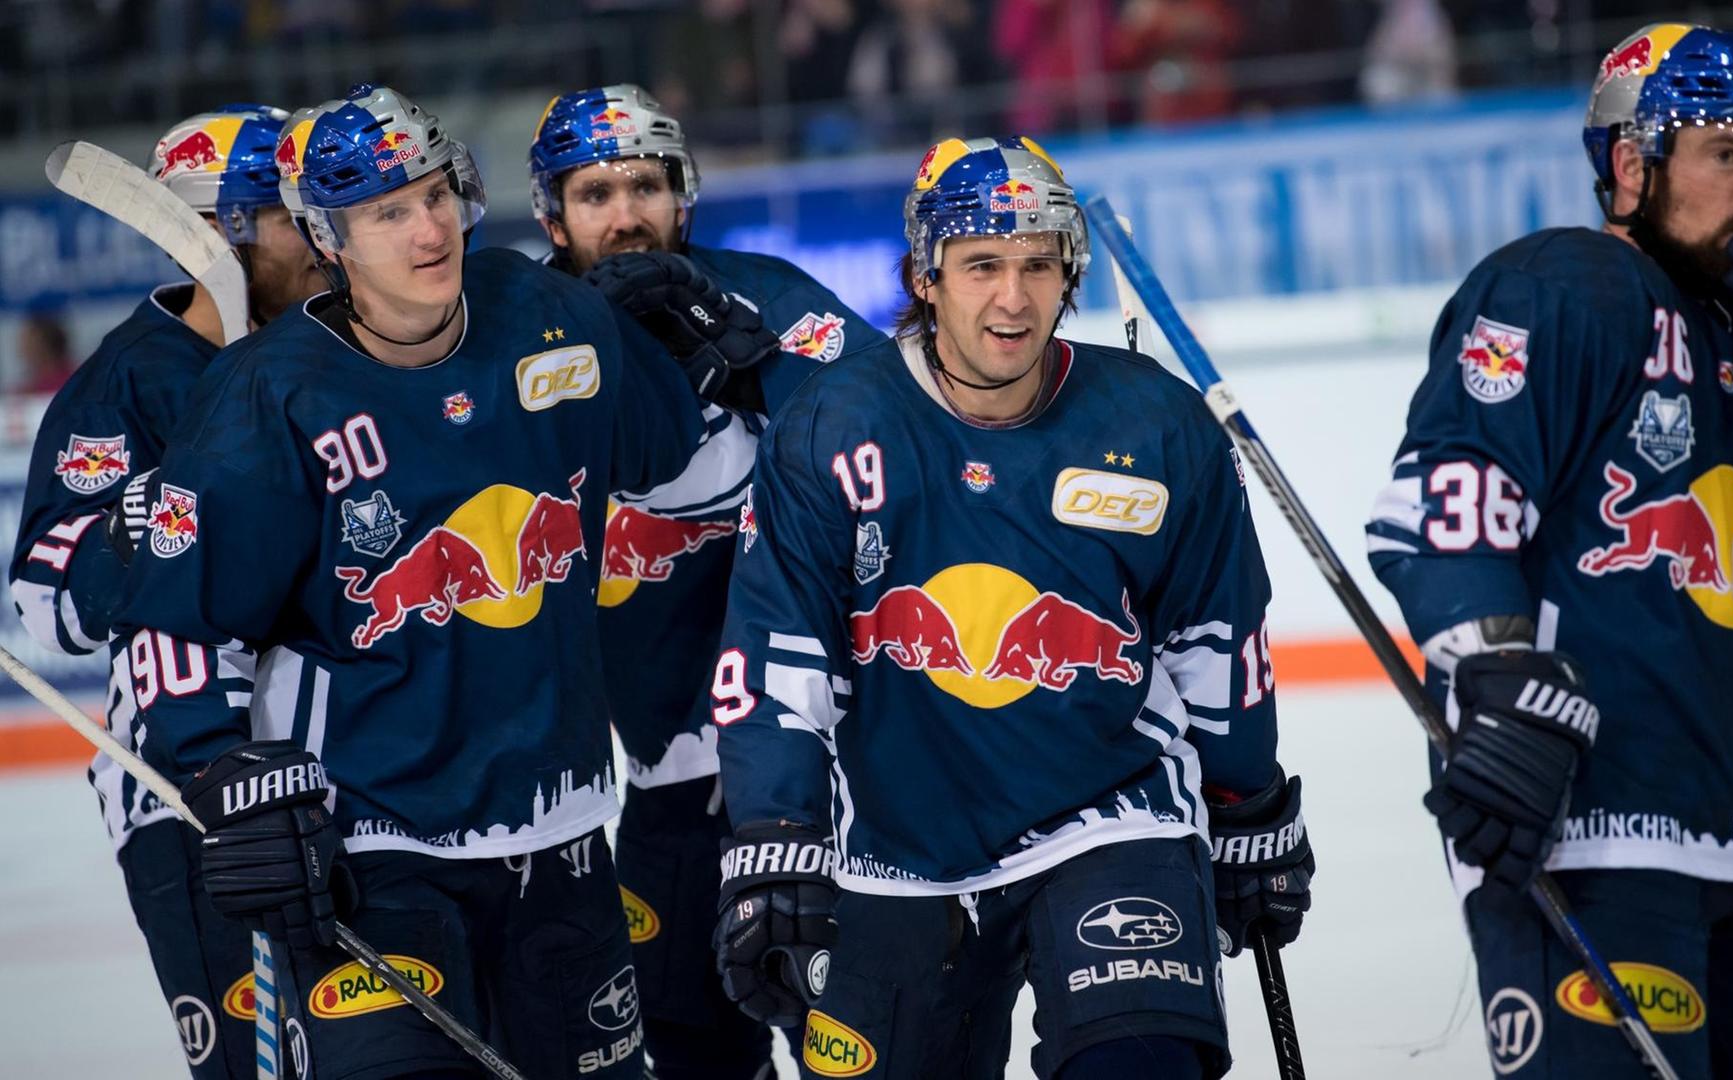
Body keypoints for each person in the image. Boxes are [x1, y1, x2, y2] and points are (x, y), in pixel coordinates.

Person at [111, 83, 710, 1080]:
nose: (427, 228)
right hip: (374, 858)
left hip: (563, 844)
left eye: (434, 194)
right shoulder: (270, 394)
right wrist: (224, 776)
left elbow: (674, 459)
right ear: (329, 237)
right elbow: (175, 625)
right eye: (387, 210)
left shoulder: (550, 316)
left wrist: (703, 356)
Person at [1365, 24, 1733, 1078]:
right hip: (1587, 841)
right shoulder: (1562, 289)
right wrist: (1495, 673)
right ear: (1631, 165)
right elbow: (1446, 505)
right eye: (1724, 153)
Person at [707, 135, 1313, 1080]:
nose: (1013, 299)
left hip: (1114, 817)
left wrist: (1249, 804)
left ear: (1069, 272)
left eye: (1038, 265)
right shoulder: (832, 425)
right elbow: (780, 654)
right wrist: (777, 834)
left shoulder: (1156, 424)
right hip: (899, 846)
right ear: (925, 274)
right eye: (982, 265)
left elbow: (1218, 639)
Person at [527, 81, 888, 1080]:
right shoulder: (523, 338)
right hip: (662, 791)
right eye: (594, 192)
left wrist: (746, 362)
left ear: (683, 197)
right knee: (689, 1056)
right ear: (551, 215)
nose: (625, 212)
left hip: (823, 766)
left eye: (645, 183)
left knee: (863, 1046)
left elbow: (886, 441)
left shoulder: (766, 293)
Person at [8, 103, 327, 1079]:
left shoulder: (332, 346)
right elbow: (43, 606)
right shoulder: (127, 384)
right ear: (216, 235)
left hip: (342, 777)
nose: (322, 235)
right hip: (196, 801)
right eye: (291, 217)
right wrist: (137, 518)